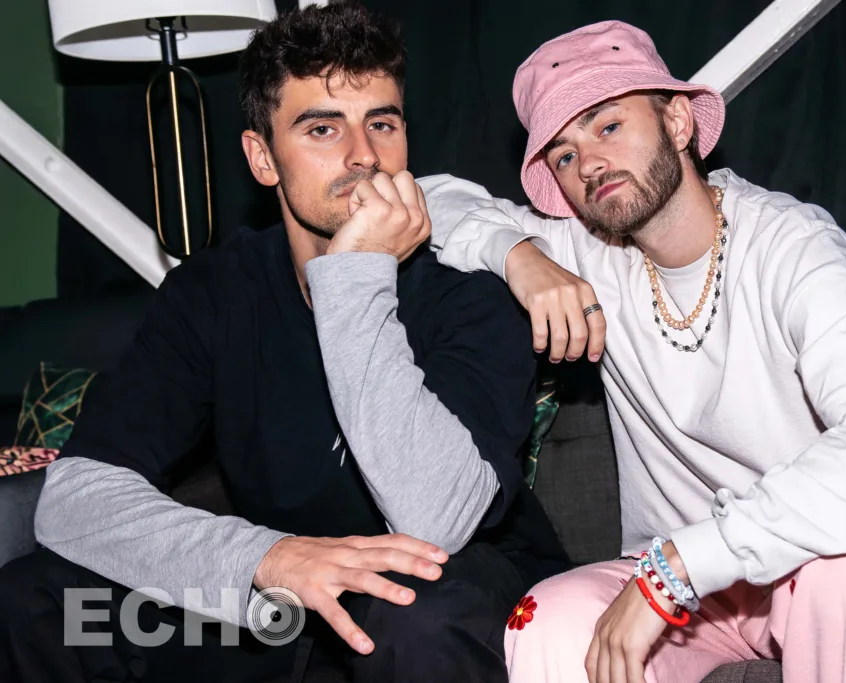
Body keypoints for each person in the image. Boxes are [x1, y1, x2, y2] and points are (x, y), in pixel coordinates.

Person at [0, 3, 567, 682]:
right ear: (262, 158)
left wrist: (355, 276)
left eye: (382, 123)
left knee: (410, 613)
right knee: (41, 604)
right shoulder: (215, 292)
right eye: (322, 128)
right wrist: (267, 559)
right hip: (283, 603)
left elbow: (435, 520)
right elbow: (75, 497)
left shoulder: (470, 290)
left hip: (453, 589)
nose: (364, 155)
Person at [420, 19, 846, 683]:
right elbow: (424, 198)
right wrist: (518, 255)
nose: (588, 162)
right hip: (692, 594)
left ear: (678, 123)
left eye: (607, 124)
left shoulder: (792, 246)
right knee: (552, 616)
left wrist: (679, 566)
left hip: (817, 563)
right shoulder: (585, 255)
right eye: (562, 154)